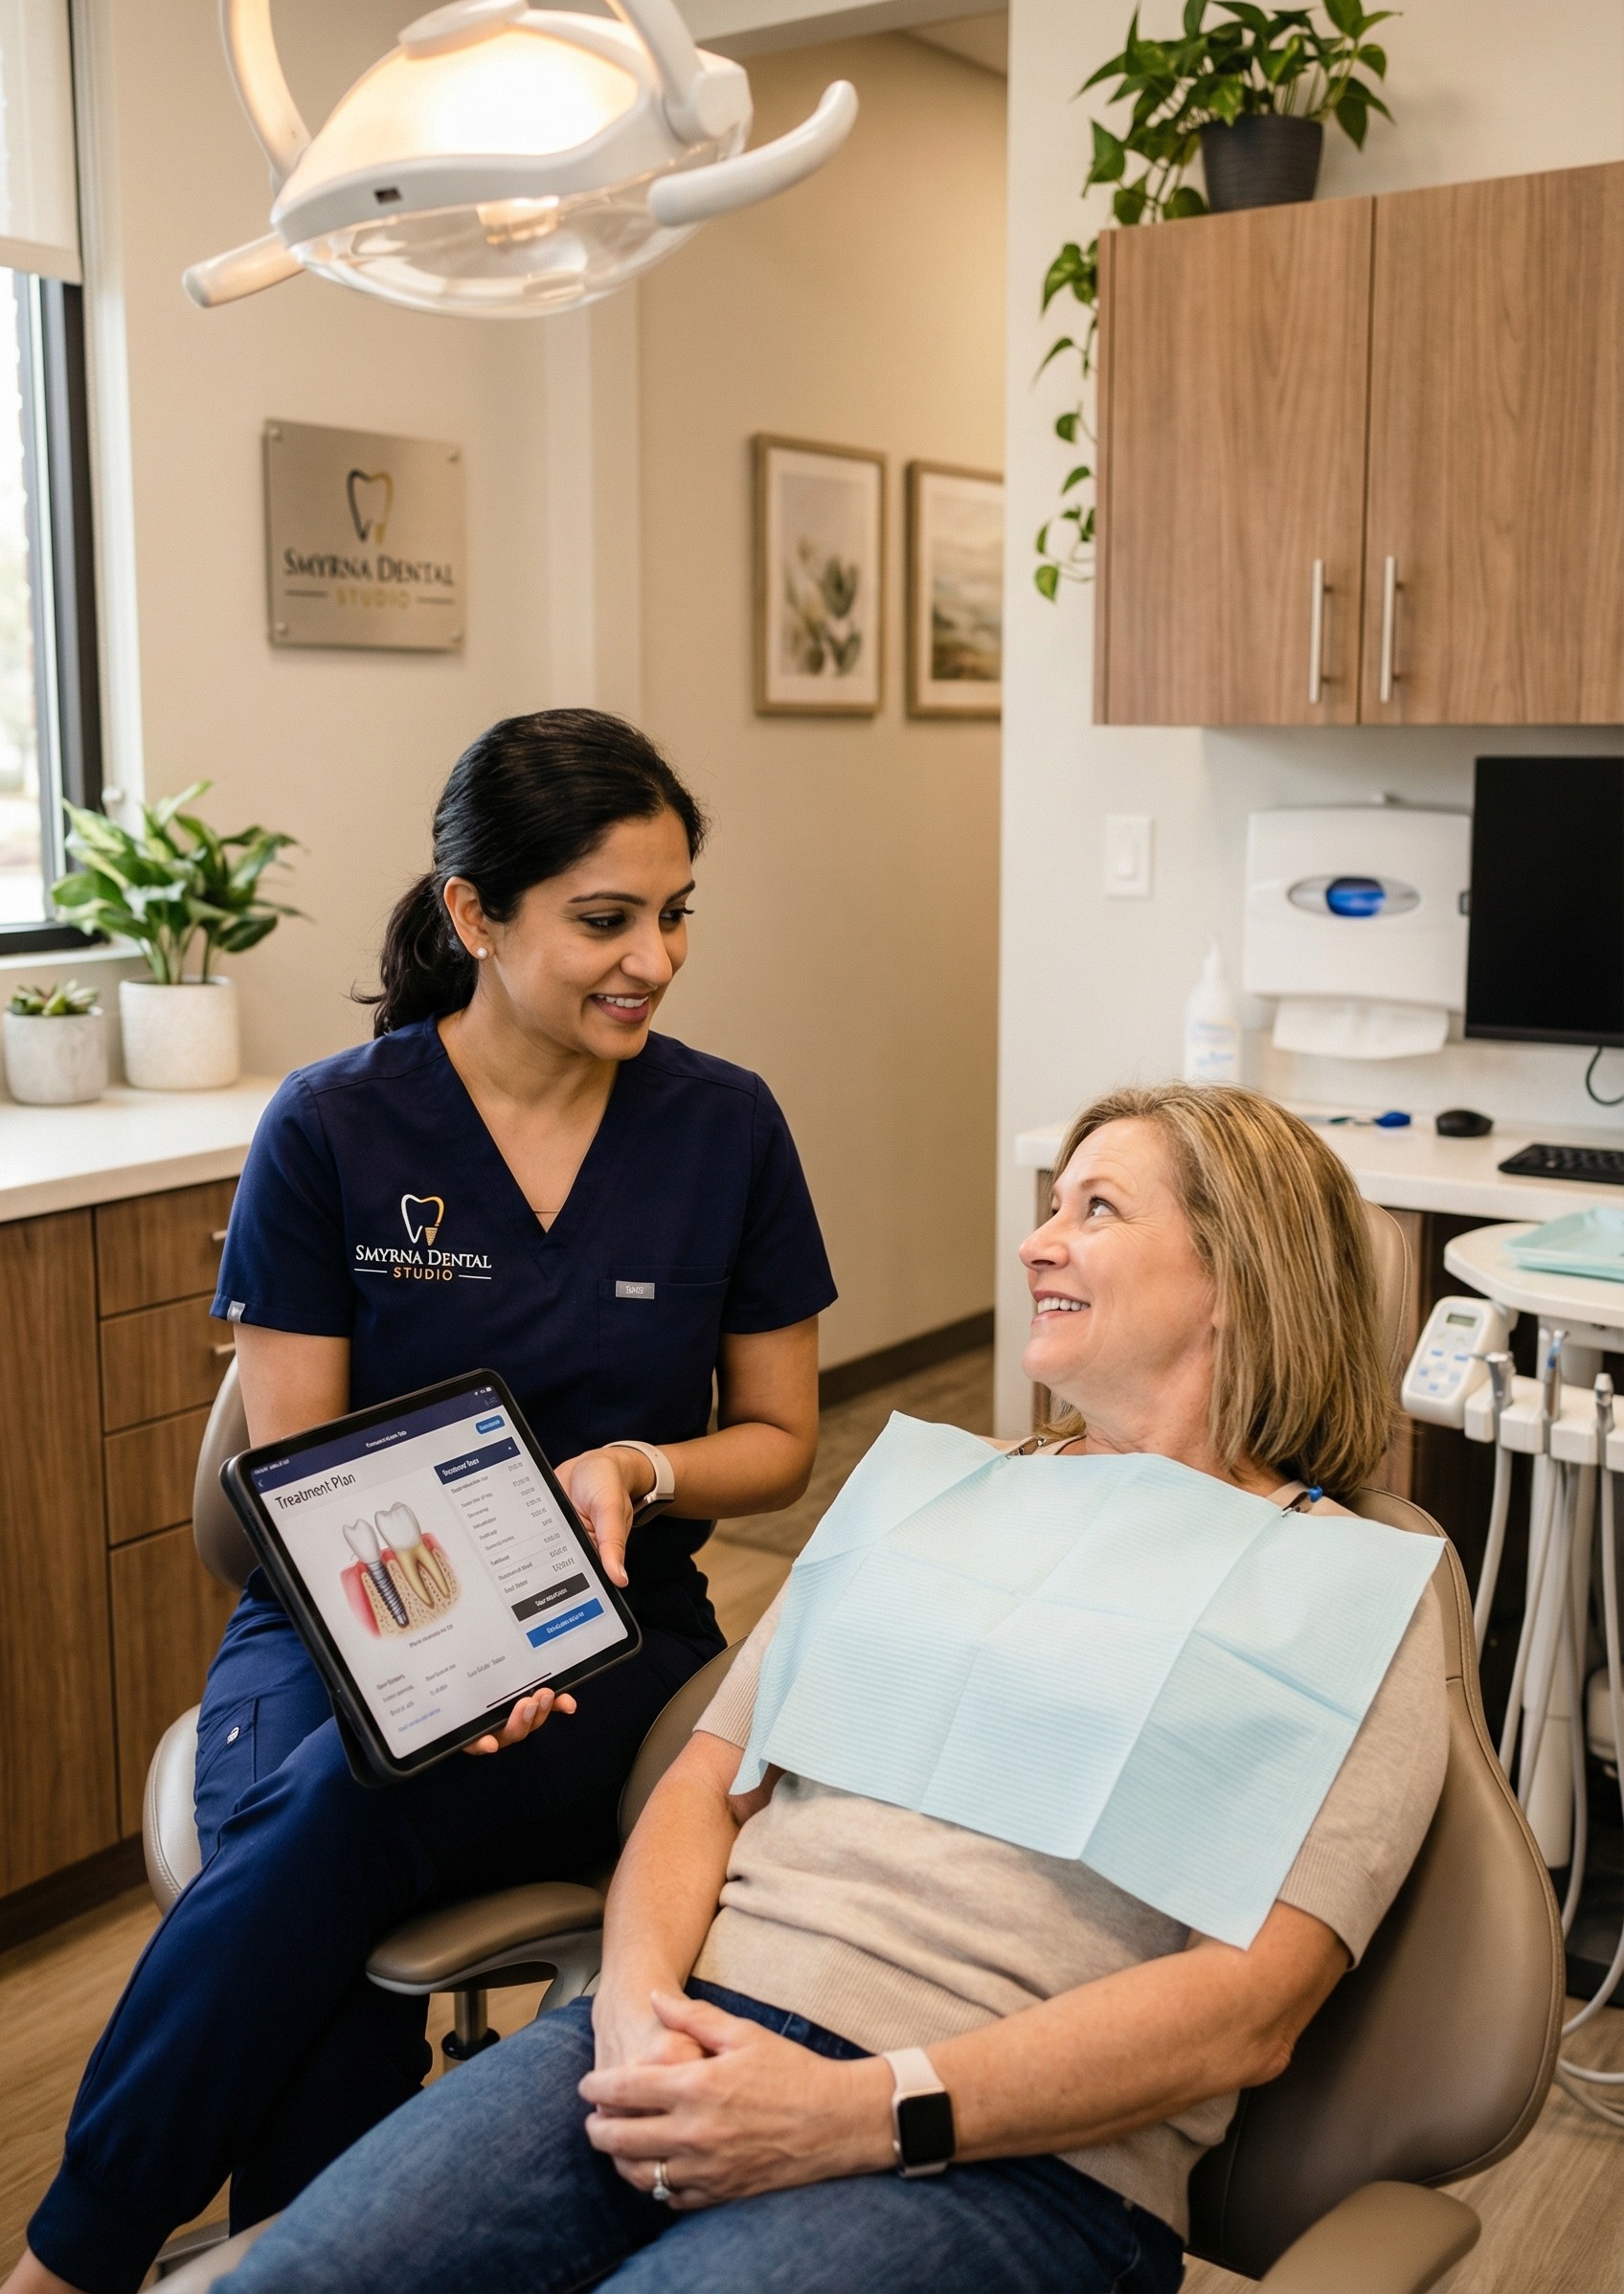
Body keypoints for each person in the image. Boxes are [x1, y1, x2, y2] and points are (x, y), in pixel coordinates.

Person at [207, 1084, 1450, 2294]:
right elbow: (706, 1784)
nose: (1036, 1241)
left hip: (1009, 2160)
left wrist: (856, 2111)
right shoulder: (934, 1491)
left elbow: (1251, 2010)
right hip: (680, 2041)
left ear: (1239, 1274)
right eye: (1051, 1205)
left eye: (1098, 1211)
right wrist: (633, 2011)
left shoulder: (1356, 1588)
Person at [14, 710, 836, 2294]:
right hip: (333, 1623)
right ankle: (294, 2257)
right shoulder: (332, 1128)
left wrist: (641, 1470)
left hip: (611, 1640)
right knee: (338, 1848)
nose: (652, 960)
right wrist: (433, 1660)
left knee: (329, 1826)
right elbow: (294, 1477)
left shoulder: (724, 1125)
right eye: (605, 919)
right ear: (475, 914)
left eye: (673, 916)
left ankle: (78, 2262)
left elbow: (784, 1438)